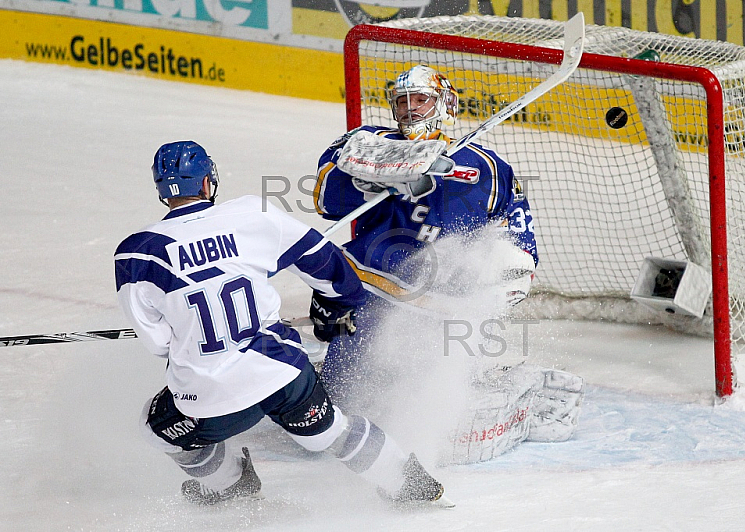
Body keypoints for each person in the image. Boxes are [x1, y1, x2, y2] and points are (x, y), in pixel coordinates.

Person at [114, 140, 450, 506]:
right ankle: (409, 484)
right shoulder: (249, 215)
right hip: (283, 374)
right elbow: (326, 264)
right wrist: (337, 306)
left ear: (161, 190)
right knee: (330, 433)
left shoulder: (136, 252)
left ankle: (229, 483)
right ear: (208, 183)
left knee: (158, 431)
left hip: (207, 399)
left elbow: (159, 344)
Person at [313, 66, 584, 463]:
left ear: (445, 104)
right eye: (401, 102)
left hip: (440, 303)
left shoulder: (486, 166)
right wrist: (379, 175)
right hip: (367, 286)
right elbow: (325, 200)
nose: (408, 111)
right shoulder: (368, 143)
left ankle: (486, 400)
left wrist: (514, 272)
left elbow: (515, 227)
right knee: (338, 402)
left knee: (423, 408)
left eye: (419, 100)